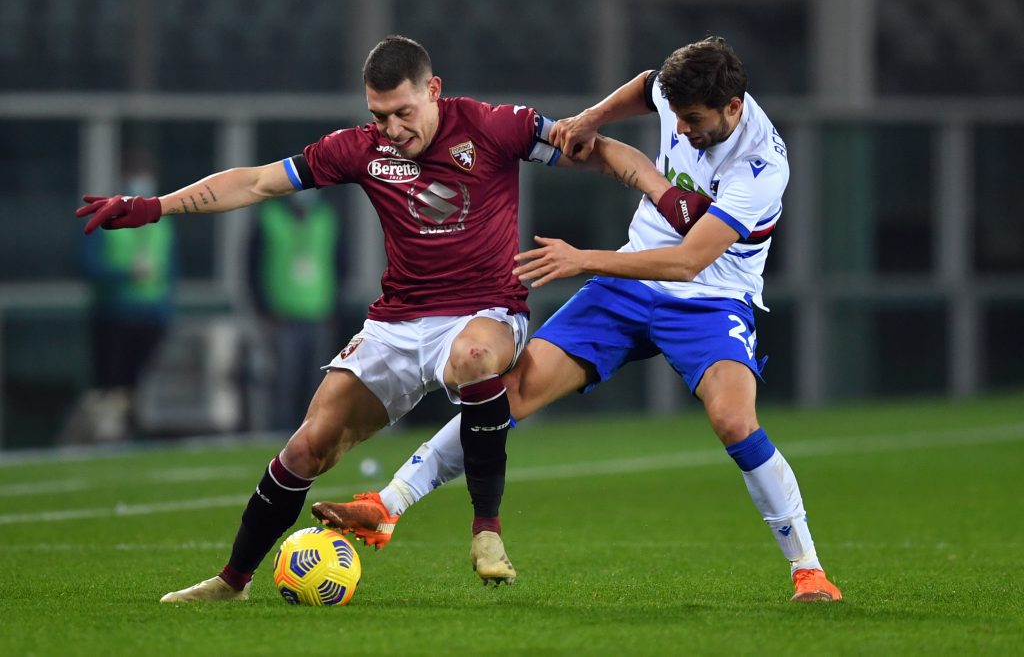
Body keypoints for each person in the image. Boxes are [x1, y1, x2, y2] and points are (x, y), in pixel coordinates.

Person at [76, 35, 678, 600]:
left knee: (473, 359)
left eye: (403, 112)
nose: (392, 129)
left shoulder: (494, 127)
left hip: (486, 310)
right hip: (396, 323)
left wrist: (665, 194)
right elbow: (257, 183)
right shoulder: (360, 148)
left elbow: (598, 152)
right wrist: (153, 205)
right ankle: (232, 580)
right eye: (379, 115)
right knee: (308, 447)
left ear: (433, 90)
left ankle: (486, 528)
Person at [311, 36, 843, 602]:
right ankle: (384, 506)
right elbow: (647, 85)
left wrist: (582, 258)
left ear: (733, 108)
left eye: (693, 121)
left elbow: (690, 262)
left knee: (735, 421)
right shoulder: (678, 94)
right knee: (504, 393)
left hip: (710, 298)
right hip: (628, 288)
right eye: (678, 117)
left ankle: (807, 568)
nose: (682, 131)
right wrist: (590, 118)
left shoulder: (760, 166)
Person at [76, 153, 176, 440]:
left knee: (141, 389)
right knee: (110, 388)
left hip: (151, 317)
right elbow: (87, 264)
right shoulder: (105, 216)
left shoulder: (162, 221)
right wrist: (124, 274)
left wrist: (167, 312)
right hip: (114, 315)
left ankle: (134, 436)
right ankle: (101, 439)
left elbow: (171, 271)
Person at [248, 191, 340, 432]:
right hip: (282, 317)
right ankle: (279, 437)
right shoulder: (270, 218)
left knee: (317, 384)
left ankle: (313, 435)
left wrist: (334, 308)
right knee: (284, 383)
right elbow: (251, 265)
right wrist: (263, 309)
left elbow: (340, 264)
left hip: (318, 314)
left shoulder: (326, 218)